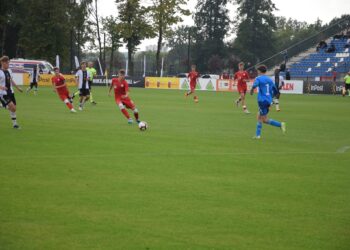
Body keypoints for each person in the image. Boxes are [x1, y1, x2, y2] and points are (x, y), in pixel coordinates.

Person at [250, 65, 286, 139]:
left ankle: (280, 124)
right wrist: (272, 97)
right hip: (268, 101)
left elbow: (255, 85)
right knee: (259, 116)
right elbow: (275, 90)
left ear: (259, 71)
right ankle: (257, 135)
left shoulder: (258, 78)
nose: (257, 72)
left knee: (264, 119)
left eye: (258, 70)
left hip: (262, 101)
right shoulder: (269, 79)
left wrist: (251, 90)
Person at [0, 56, 23, 129]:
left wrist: (18, 88)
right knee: (11, 106)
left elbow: (11, 81)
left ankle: (15, 124)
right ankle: (15, 124)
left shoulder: (9, 71)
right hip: (3, 93)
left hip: (11, 92)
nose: (8, 64)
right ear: (2, 63)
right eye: (7, 63)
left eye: (8, 63)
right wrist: (1, 87)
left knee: (14, 109)